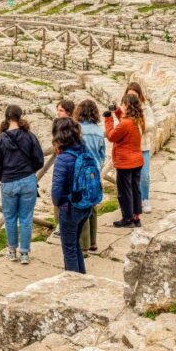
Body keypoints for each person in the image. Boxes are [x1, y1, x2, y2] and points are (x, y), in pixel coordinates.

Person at [0, 105, 45, 264]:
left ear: (6, 118)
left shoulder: (0, 139)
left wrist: (4, 177)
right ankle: (25, 254)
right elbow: (39, 160)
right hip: (28, 180)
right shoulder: (30, 136)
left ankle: (12, 251)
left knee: (10, 218)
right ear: (20, 116)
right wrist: (29, 171)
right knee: (26, 218)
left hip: (8, 182)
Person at [50, 117, 91, 274]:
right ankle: (82, 276)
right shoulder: (84, 149)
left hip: (70, 208)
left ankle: (73, 283)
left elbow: (56, 191)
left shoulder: (62, 159)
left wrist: (59, 204)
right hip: (86, 205)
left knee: (69, 249)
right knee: (75, 245)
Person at [103, 95, 145, 228]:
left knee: (124, 191)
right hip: (137, 160)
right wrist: (117, 111)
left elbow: (111, 136)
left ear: (127, 105)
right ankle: (136, 217)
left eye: (123, 104)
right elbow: (124, 120)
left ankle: (127, 218)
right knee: (135, 189)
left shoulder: (125, 124)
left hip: (125, 162)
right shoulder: (139, 120)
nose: (121, 106)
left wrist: (108, 119)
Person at [75, 99, 105, 255]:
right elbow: (102, 154)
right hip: (95, 171)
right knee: (93, 206)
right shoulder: (99, 131)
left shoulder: (78, 130)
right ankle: (93, 242)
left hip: (81, 171)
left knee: (83, 206)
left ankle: (84, 247)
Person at [124, 82, 155, 213]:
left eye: (134, 95)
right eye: (130, 94)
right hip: (127, 147)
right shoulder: (123, 108)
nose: (132, 97)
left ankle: (145, 199)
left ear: (139, 95)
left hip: (142, 146)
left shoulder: (145, 108)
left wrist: (137, 124)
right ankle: (132, 202)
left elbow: (152, 125)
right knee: (128, 177)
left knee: (144, 175)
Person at [52, 99, 75, 236]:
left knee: (65, 195)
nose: (58, 113)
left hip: (66, 164)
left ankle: (64, 228)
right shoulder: (58, 124)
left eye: (61, 110)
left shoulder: (72, 128)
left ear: (69, 112)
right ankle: (62, 225)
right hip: (65, 162)